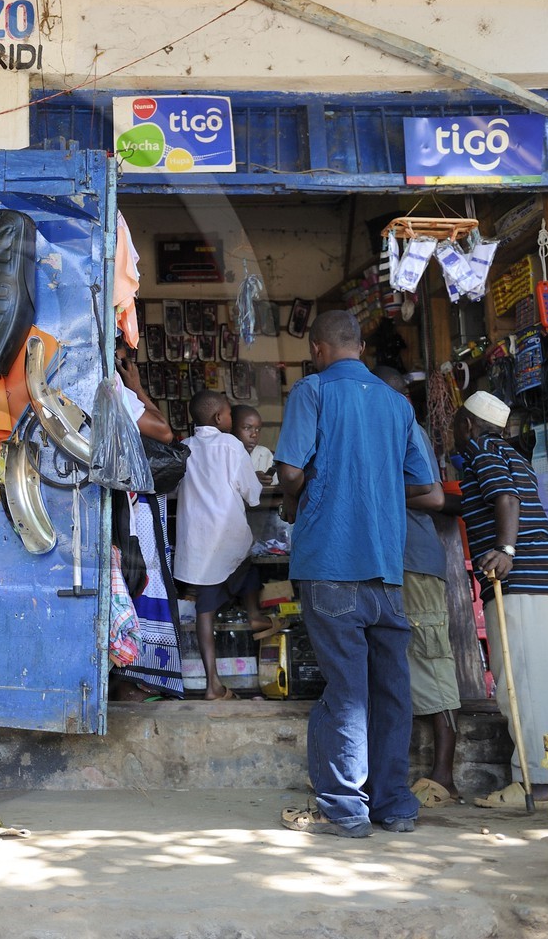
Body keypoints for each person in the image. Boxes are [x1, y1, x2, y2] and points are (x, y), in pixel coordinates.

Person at [275, 311, 439, 838]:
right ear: (361, 345)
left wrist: (294, 499)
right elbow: (427, 487)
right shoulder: (397, 404)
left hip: (329, 563)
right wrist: (379, 484)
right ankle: (394, 805)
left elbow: (291, 471)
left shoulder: (312, 391)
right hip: (386, 571)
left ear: (319, 348)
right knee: (391, 690)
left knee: (345, 690)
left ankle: (344, 809)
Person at [443, 390, 548, 809]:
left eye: (455, 423)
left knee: (521, 685)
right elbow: (497, 496)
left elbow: (506, 498)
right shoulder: (513, 454)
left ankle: (533, 785)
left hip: (521, 583)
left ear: (467, 424)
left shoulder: (481, 449)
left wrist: (506, 550)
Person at [375, 367, 461, 807]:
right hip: (387, 559)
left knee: (431, 657)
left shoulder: (411, 432)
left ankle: (445, 774)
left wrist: (377, 490)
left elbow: (433, 497)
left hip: (416, 559)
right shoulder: (379, 431)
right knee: (397, 660)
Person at [174, 390, 266, 700]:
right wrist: (256, 482)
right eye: (229, 414)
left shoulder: (185, 448)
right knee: (249, 567)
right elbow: (252, 494)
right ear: (218, 419)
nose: (231, 418)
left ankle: (212, 682)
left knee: (205, 610)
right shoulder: (231, 446)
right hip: (225, 540)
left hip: (197, 547)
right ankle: (253, 614)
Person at [109, 347, 186, 699]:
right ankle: (137, 678)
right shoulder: (117, 392)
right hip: (134, 509)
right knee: (142, 580)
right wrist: (137, 387)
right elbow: (165, 432)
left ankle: (128, 675)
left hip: (125, 504)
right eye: (126, 357)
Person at [231, 404, 276, 488]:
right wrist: (250, 479)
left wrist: (267, 480)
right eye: (247, 428)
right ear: (231, 428)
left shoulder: (264, 454)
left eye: (258, 429)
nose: (254, 434)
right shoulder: (221, 454)